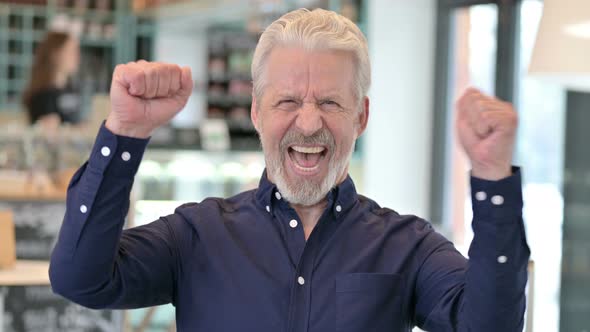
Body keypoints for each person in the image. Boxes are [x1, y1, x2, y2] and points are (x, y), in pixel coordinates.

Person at [49, 8, 529, 332]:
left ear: (360, 116)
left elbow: (489, 325)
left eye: (329, 102)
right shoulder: (196, 235)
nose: (309, 122)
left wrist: (491, 178)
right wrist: (125, 133)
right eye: (287, 101)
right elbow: (81, 278)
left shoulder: (410, 247)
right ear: (257, 113)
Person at [22, 31, 81, 126]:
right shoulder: (41, 94)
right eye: (71, 52)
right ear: (55, 54)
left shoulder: (72, 89)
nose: (77, 57)